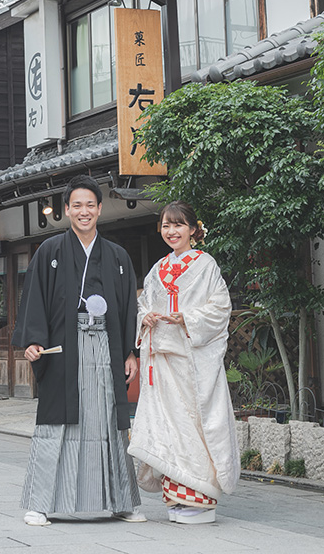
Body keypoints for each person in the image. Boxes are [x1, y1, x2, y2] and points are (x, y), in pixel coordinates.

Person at [12, 175, 144, 526]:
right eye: (77, 205)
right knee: (57, 422)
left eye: (90, 205)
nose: (84, 212)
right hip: (63, 347)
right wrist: (33, 340)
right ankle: (40, 503)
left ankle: (121, 501)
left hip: (105, 345)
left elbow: (128, 305)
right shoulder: (50, 251)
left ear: (100, 209)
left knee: (108, 420)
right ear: (66, 210)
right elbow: (35, 298)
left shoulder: (116, 256)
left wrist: (129, 352)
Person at [128, 201, 240, 525]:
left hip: (192, 362)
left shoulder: (206, 266)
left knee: (193, 426)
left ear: (193, 229)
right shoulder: (157, 269)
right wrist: (144, 316)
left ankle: (201, 498)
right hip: (162, 362)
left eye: (178, 225)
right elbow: (142, 304)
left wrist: (186, 318)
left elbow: (220, 308)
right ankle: (175, 498)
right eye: (166, 225)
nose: (171, 231)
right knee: (169, 428)